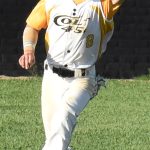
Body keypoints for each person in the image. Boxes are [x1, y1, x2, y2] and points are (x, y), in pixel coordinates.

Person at [19, 0, 124, 149]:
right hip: (52, 76)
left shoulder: (103, 5)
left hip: (83, 78)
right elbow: (32, 27)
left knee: (64, 116)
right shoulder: (50, 2)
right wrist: (28, 49)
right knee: (54, 135)